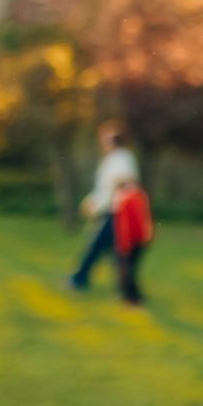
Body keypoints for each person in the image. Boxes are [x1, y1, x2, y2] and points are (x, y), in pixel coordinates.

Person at [68, 122, 138, 292]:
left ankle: (79, 280)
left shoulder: (122, 157)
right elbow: (105, 188)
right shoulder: (112, 159)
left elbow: (124, 182)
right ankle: (124, 287)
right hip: (109, 210)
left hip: (117, 212)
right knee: (108, 250)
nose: (102, 143)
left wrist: (98, 203)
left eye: (105, 140)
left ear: (113, 141)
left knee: (98, 247)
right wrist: (93, 202)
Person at [112, 176, 154, 307]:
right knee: (131, 269)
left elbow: (123, 225)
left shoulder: (123, 199)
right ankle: (130, 296)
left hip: (129, 241)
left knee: (126, 270)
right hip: (141, 239)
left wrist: (123, 244)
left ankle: (133, 298)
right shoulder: (140, 195)